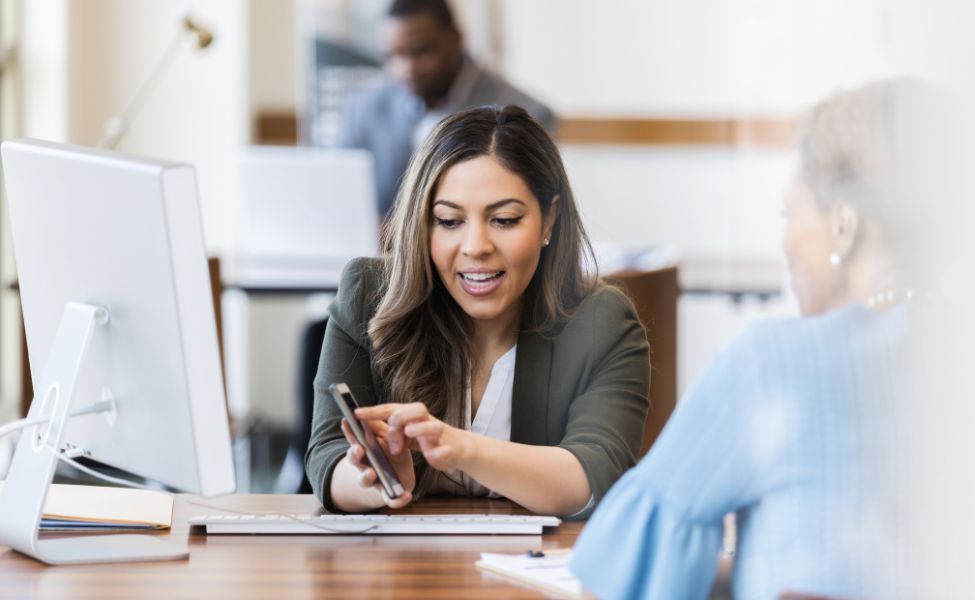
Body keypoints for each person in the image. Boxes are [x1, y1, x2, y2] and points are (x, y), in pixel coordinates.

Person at [569, 80, 967, 599]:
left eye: (789, 213)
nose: (785, 241)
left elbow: (621, 572)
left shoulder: (773, 364)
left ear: (843, 225)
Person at [305, 105, 649, 517]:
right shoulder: (369, 294)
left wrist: (461, 448)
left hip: (536, 571)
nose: (475, 247)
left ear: (549, 220)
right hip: (401, 572)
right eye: (449, 221)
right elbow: (327, 456)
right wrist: (376, 482)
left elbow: (593, 478)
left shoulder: (601, 321)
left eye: (504, 220)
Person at [337, 0, 557, 219]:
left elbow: (528, 214)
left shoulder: (527, 114)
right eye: (394, 56)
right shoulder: (363, 110)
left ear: (455, 39)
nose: (406, 69)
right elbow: (340, 197)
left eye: (420, 52)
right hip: (380, 252)